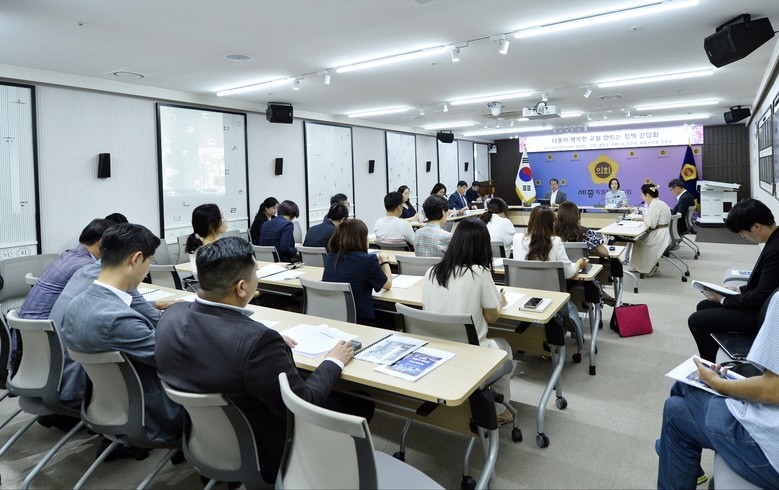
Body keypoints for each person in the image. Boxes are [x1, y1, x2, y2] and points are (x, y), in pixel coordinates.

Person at [155, 237, 371, 484]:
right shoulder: (257, 342)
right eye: (256, 272)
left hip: (203, 439)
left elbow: (211, 339)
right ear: (241, 288)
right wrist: (333, 361)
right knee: (361, 403)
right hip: (264, 449)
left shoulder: (171, 315)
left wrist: (261, 336)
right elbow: (303, 400)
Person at [61, 223, 183, 449]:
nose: (147, 270)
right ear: (136, 259)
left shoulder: (77, 304)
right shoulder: (119, 319)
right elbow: (175, 361)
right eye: (149, 262)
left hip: (104, 405)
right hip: (151, 414)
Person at [657, 292, 779, 490]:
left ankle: (670, 447)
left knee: (683, 390)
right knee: (675, 409)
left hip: (769, 451)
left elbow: (772, 391)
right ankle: (672, 447)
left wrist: (717, 383)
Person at [420, 217, 512, 421]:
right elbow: (492, 317)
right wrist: (500, 302)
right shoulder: (480, 273)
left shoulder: (431, 272)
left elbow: (426, 310)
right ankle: (500, 411)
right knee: (505, 347)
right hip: (470, 354)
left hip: (436, 351)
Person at [688, 198, 779, 361]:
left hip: (766, 315)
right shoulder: (774, 240)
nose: (743, 236)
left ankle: (711, 368)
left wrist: (724, 300)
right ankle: (716, 354)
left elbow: (761, 296)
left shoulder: (776, 250)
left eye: (742, 232)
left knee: (696, 321)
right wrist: (739, 290)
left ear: (757, 227)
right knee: (704, 306)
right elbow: (769, 283)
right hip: (765, 303)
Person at [18, 218, 114, 320]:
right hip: (42, 325)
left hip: (26, 321)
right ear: (101, 243)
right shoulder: (86, 266)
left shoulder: (68, 254)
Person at [323, 219, 392, 326]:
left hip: (334, 315)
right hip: (360, 319)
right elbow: (387, 285)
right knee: (390, 315)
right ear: (361, 239)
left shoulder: (331, 257)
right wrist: (385, 261)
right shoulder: (368, 260)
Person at [554, 201, 615, 306]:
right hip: (581, 277)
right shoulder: (584, 232)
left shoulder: (550, 232)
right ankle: (602, 295)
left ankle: (603, 294)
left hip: (556, 277)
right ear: (577, 216)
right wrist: (590, 249)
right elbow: (605, 253)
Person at [513, 206, 587, 279]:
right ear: (551, 224)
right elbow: (569, 274)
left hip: (520, 286)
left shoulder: (517, 238)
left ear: (530, 221)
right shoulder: (555, 241)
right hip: (547, 286)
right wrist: (579, 264)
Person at [628, 183, 671, 277]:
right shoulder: (658, 203)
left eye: (642, 195)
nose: (642, 198)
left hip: (660, 234)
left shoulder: (654, 205)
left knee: (639, 243)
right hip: (662, 231)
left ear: (647, 195)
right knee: (638, 241)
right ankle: (638, 267)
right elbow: (654, 219)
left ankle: (646, 269)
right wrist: (643, 218)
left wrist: (644, 220)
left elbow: (651, 223)